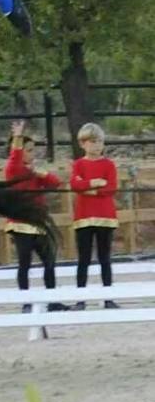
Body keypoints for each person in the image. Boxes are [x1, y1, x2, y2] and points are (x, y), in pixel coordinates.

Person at [5, 120, 66, 312]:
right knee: (25, 264)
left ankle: (52, 300)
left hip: (39, 222)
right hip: (21, 223)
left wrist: (43, 173)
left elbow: (56, 183)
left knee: (49, 261)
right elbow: (14, 156)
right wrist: (17, 136)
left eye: (33, 150)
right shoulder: (13, 168)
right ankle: (26, 302)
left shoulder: (34, 172)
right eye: (29, 150)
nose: (33, 154)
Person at [70, 122, 119, 310]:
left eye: (99, 141)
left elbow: (111, 188)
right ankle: (80, 299)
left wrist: (88, 189)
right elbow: (75, 185)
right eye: (92, 142)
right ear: (83, 144)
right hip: (83, 216)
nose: (97, 146)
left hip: (105, 215)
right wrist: (94, 183)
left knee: (105, 258)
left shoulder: (109, 164)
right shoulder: (79, 164)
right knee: (83, 259)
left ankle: (108, 297)